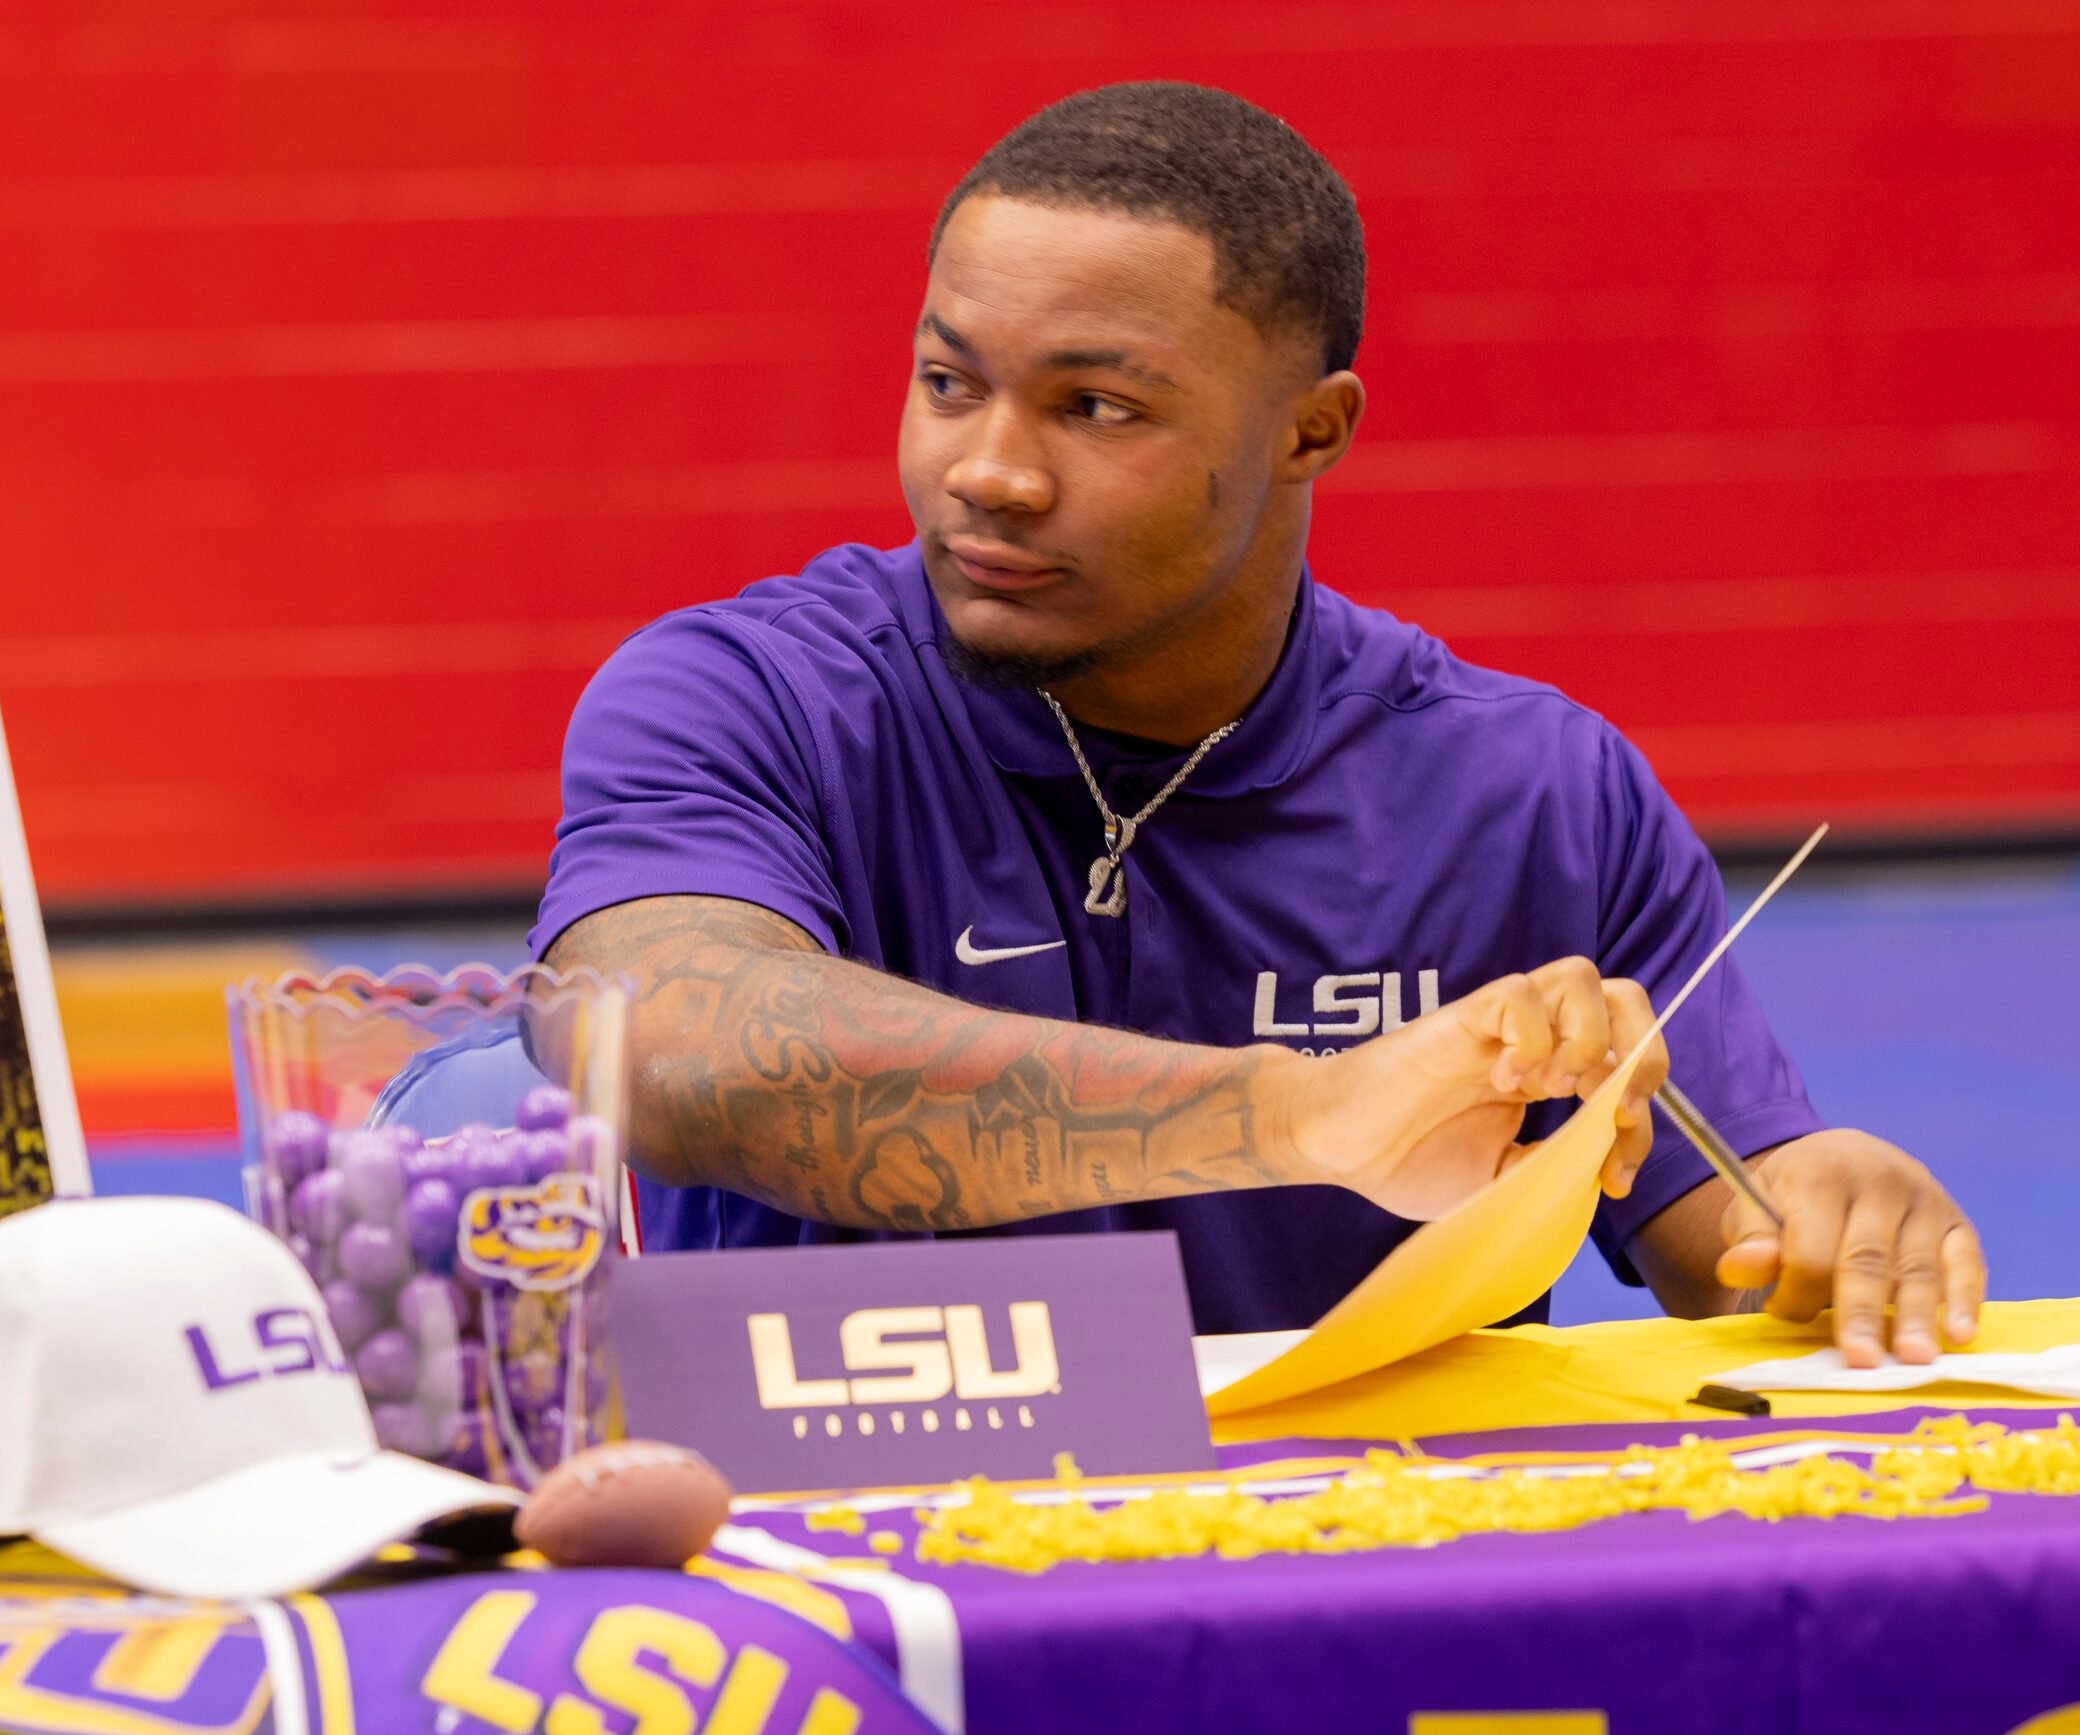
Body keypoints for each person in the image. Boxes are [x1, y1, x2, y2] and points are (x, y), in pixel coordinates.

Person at [534, 82, 1981, 1367]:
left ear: (1312, 429)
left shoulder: (1533, 790)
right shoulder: (743, 696)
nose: (987, 472)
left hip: (1361, 1566)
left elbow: (1729, 1236)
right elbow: (681, 1048)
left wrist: (1829, 1221)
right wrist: (1302, 1112)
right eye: (948, 382)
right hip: (872, 1561)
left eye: (1095, 407)